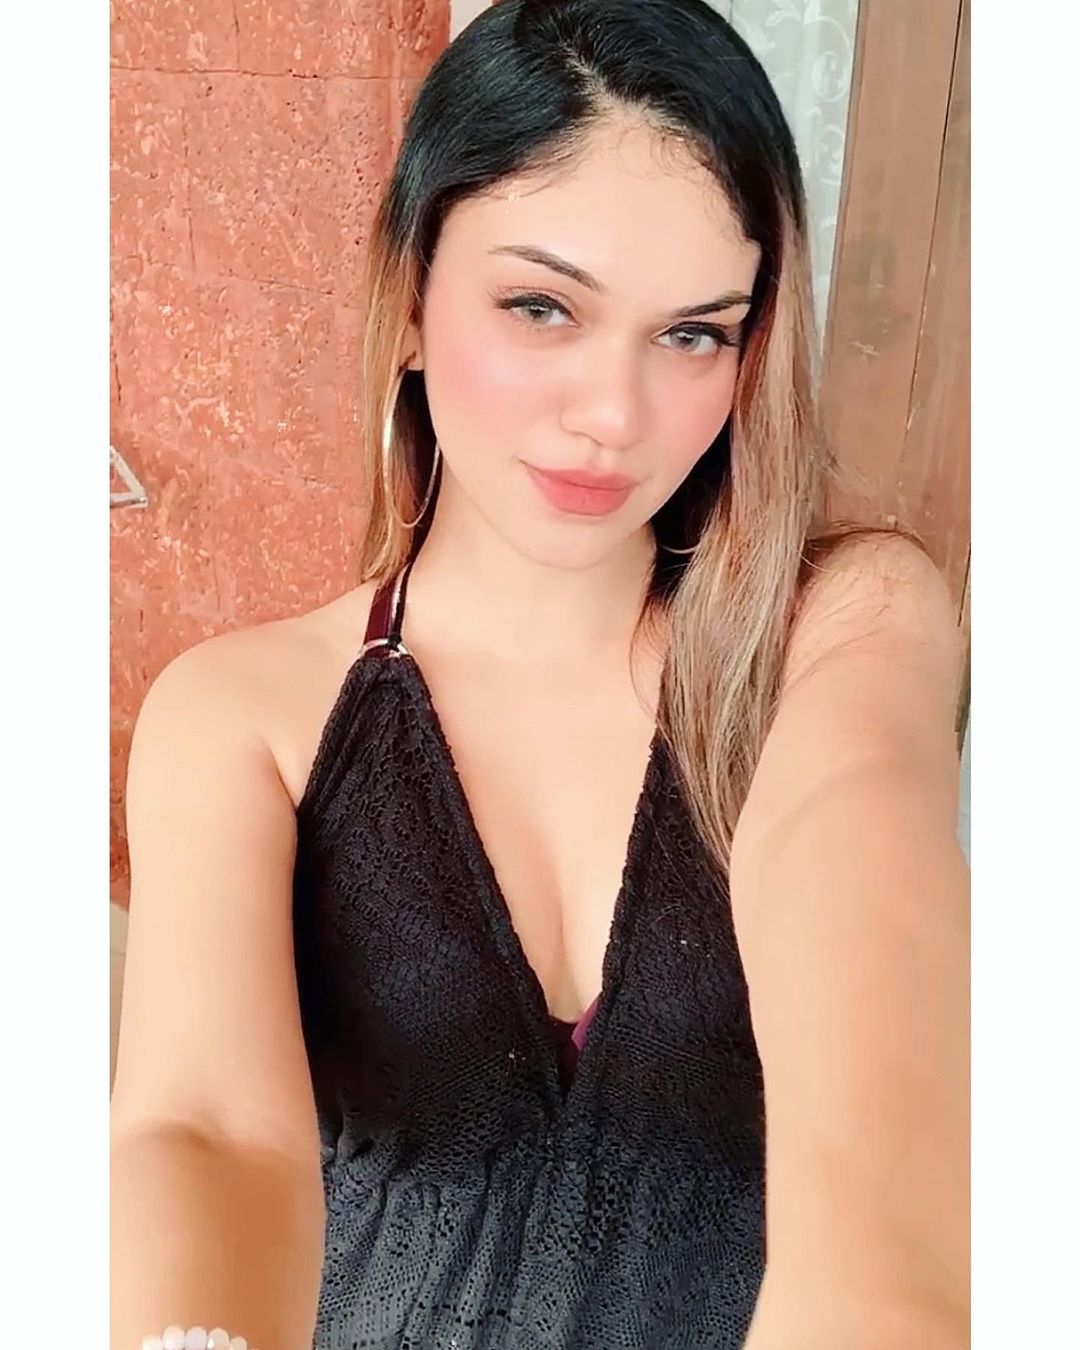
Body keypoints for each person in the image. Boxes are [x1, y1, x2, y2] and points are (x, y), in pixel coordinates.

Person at [110, 2, 969, 1348]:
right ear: (408, 299)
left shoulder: (840, 629)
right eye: (541, 306)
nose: (613, 415)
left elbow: (877, 1050)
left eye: (693, 333)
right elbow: (206, 1132)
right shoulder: (244, 715)